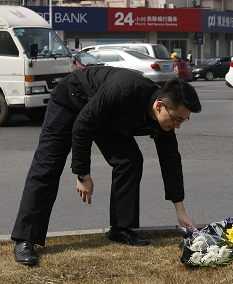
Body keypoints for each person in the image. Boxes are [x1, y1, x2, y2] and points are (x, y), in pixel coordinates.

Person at [11, 66, 202, 266]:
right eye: (177, 119)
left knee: (130, 161)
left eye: (183, 120)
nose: (178, 126)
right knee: (47, 165)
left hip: (105, 115)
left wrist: (181, 211)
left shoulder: (164, 120)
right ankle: (26, 238)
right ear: (160, 106)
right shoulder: (123, 90)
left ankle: (120, 228)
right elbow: (82, 125)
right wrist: (83, 174)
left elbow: (171, 161)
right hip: (71, 101)